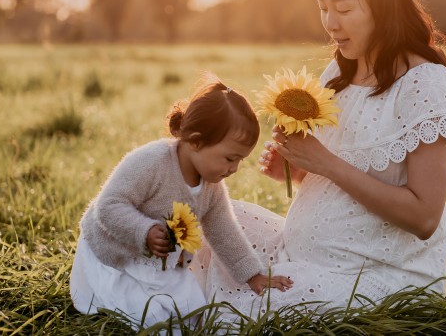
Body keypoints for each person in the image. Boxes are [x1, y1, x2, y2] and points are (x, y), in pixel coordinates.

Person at [197, 0, 446, 320]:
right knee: (206, 222)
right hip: (299, 251)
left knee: (235, 308)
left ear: (384, 8)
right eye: (323, 7)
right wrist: (295, 170)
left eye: (343, 9)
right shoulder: (338, 74)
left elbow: (424, 217)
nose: (330, 23)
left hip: (375, 275)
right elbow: (339, 168)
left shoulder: (425, 84)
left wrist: (325, 164)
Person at [70, 81, 293, 330]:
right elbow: (108, 206)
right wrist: (143, 231)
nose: (234, 169)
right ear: (196, 141)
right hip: (114, 255)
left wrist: (253, 275)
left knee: (192, 310)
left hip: (159, 261)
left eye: (240, 160)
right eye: (230, 158)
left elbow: (224, 231)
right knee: (150, 316)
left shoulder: (212, 187)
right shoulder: (151, 162)